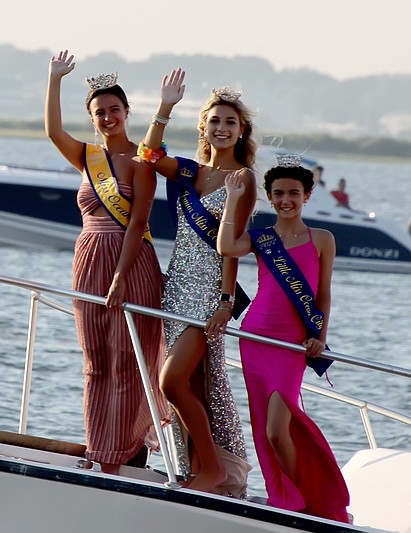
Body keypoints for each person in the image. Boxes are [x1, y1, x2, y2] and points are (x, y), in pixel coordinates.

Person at [44, 50, 168, 474]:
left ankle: (127, 450)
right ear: (93, 117)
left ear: (128, 112)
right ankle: (100, 446)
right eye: (100, 112)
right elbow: (52, 130)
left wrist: (119, 277)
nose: (108, 117)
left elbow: (138, 225)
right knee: (95, 359)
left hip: (130, 263)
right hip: (88, 258)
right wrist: (55, 78)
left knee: (127, 356)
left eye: (115, 109)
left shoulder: (141, 161)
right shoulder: (85, 157)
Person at [139, 68, 256, 495]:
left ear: (241, 131)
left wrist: (225, 300)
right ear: (204, 127)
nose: (222, 128)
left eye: (231, 122)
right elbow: (149, 155)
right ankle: (196, 465)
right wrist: (165, 106)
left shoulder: (241, 179)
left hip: (208, 291)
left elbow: (231, 247)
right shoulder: (188, 173)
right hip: (175, 288)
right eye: (215, 121)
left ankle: (214, 468)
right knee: (184, 384)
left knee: (171, 382)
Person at [217, 158, 350, 522]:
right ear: (270, 198)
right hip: (256, 336)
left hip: (292, 345)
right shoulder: (262, 238)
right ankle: (290, 499)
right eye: (278, 194)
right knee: (265, 426)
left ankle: (305, 499)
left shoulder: (322, 239)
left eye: (294, 193)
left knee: (279, 430)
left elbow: (323, 295)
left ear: (307, 196)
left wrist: (319, 337)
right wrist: (232, 198)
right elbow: (226, 246)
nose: (286, 200)